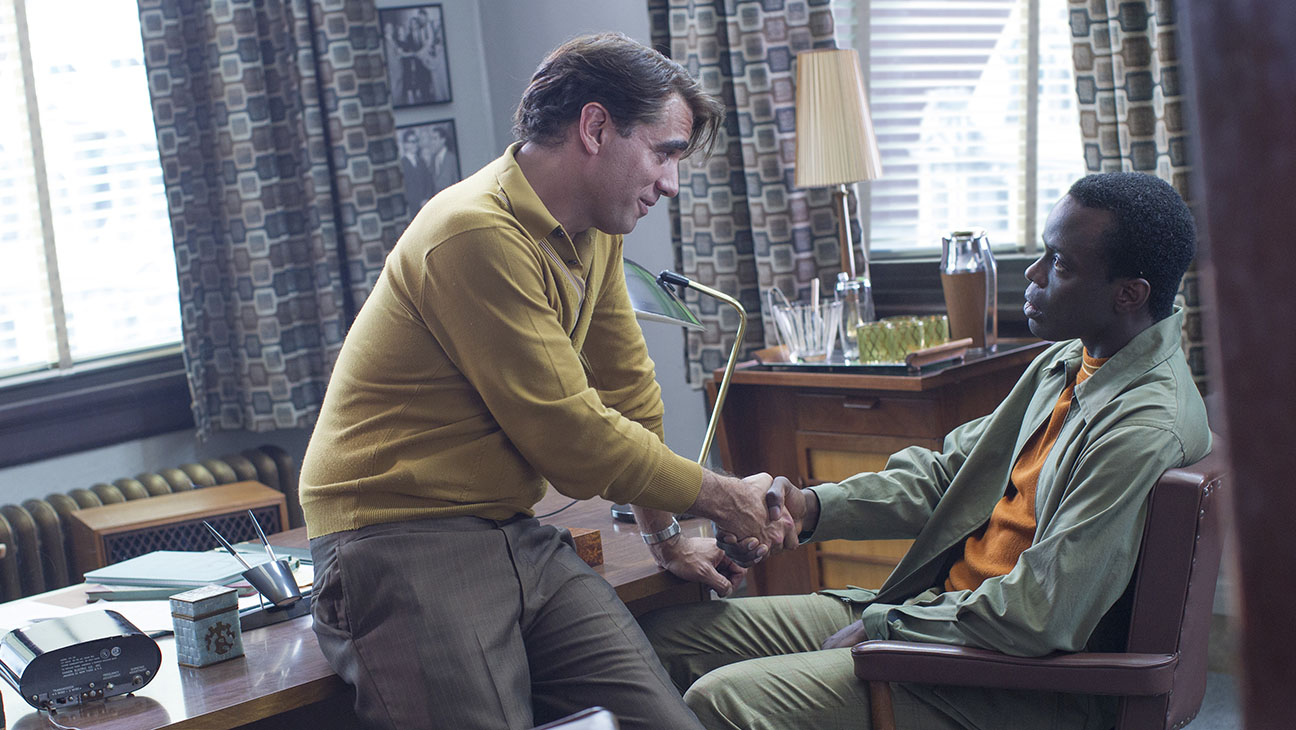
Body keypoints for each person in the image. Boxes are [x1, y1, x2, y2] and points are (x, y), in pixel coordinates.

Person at [300, 33, 786, 730]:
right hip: (397, 537)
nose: (671, 183)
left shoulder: (594, 232)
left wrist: (667, 536)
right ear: (595, 128)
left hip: (510, 528)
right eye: (664, 152)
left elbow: (628, 393)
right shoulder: (474, 234)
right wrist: (721, 496)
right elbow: (575, 440)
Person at [641, 172, 1210, 730]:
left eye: (1059, 264)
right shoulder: (1065, 363)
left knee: (723, 700)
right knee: (663, 642)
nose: (1033, 273)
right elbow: (946, 476)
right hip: (942, 616)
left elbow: (1040, 613)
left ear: (1129, 294)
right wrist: (810, 506)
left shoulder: (1141, 428)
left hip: (1012, 680)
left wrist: (889, 627)